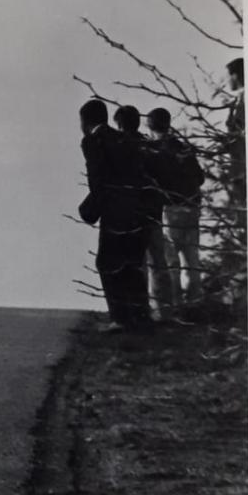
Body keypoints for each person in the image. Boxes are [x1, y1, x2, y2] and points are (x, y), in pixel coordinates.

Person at [78, 99, 152, 332]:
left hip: (113, 210)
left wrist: (91, 210)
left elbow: (98, 180)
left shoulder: (92, 141)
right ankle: (140, 316)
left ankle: (119, 318)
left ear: (86, 121)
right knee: (131, 263)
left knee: (107, 262)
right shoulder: (125, 138)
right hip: (135, 207)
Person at [114, 105, 173, 319]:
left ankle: (139, 310)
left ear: (120, 124)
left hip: (131, 215)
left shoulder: (120, 149)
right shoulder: (150, 147)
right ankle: (164, 310)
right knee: (158, 261)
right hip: (152, 212)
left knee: (136, 264)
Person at [148, 107, 205, 317]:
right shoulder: (183, 148)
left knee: (171, 260)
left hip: (170, 208)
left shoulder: (154, 151)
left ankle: (175, 306)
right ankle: (195, 303)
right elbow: (200, 178)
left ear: (149, 126)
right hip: (192, 207)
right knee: (191, 258)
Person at [224, 57, 245, 214]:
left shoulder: (246, 99)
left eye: (228, 76)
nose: (227, 81)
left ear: (235, 76)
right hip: (237, 164)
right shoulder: (238, 100)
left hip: (243, 165)